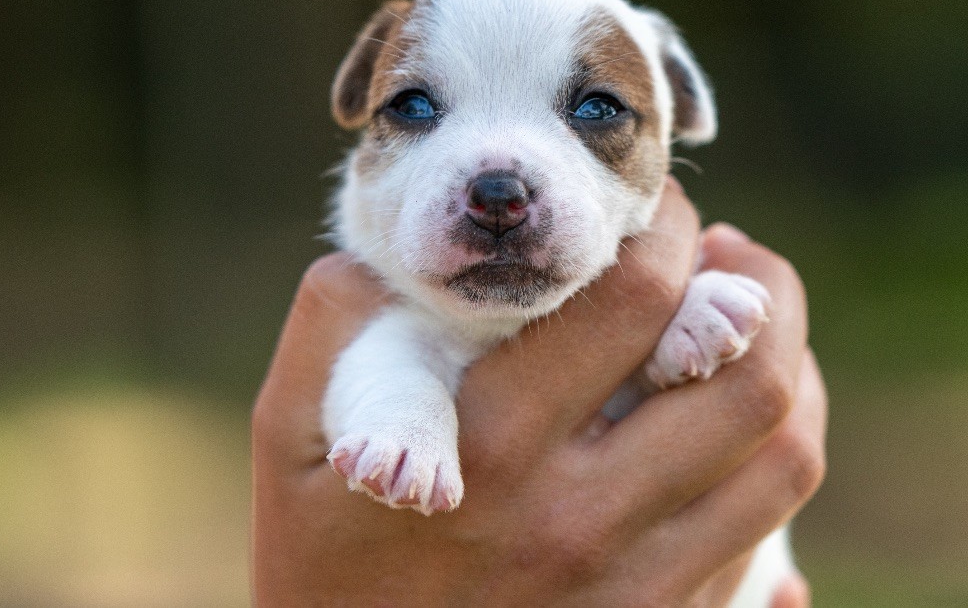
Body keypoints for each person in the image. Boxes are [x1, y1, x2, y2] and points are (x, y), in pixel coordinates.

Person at [251, 180, 826, 606]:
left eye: (595, 109)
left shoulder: (664, 271)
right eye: (417, 107)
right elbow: (386, 362)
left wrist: (678, 331)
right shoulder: (395, 317)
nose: (498, 192)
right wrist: (405, 417)